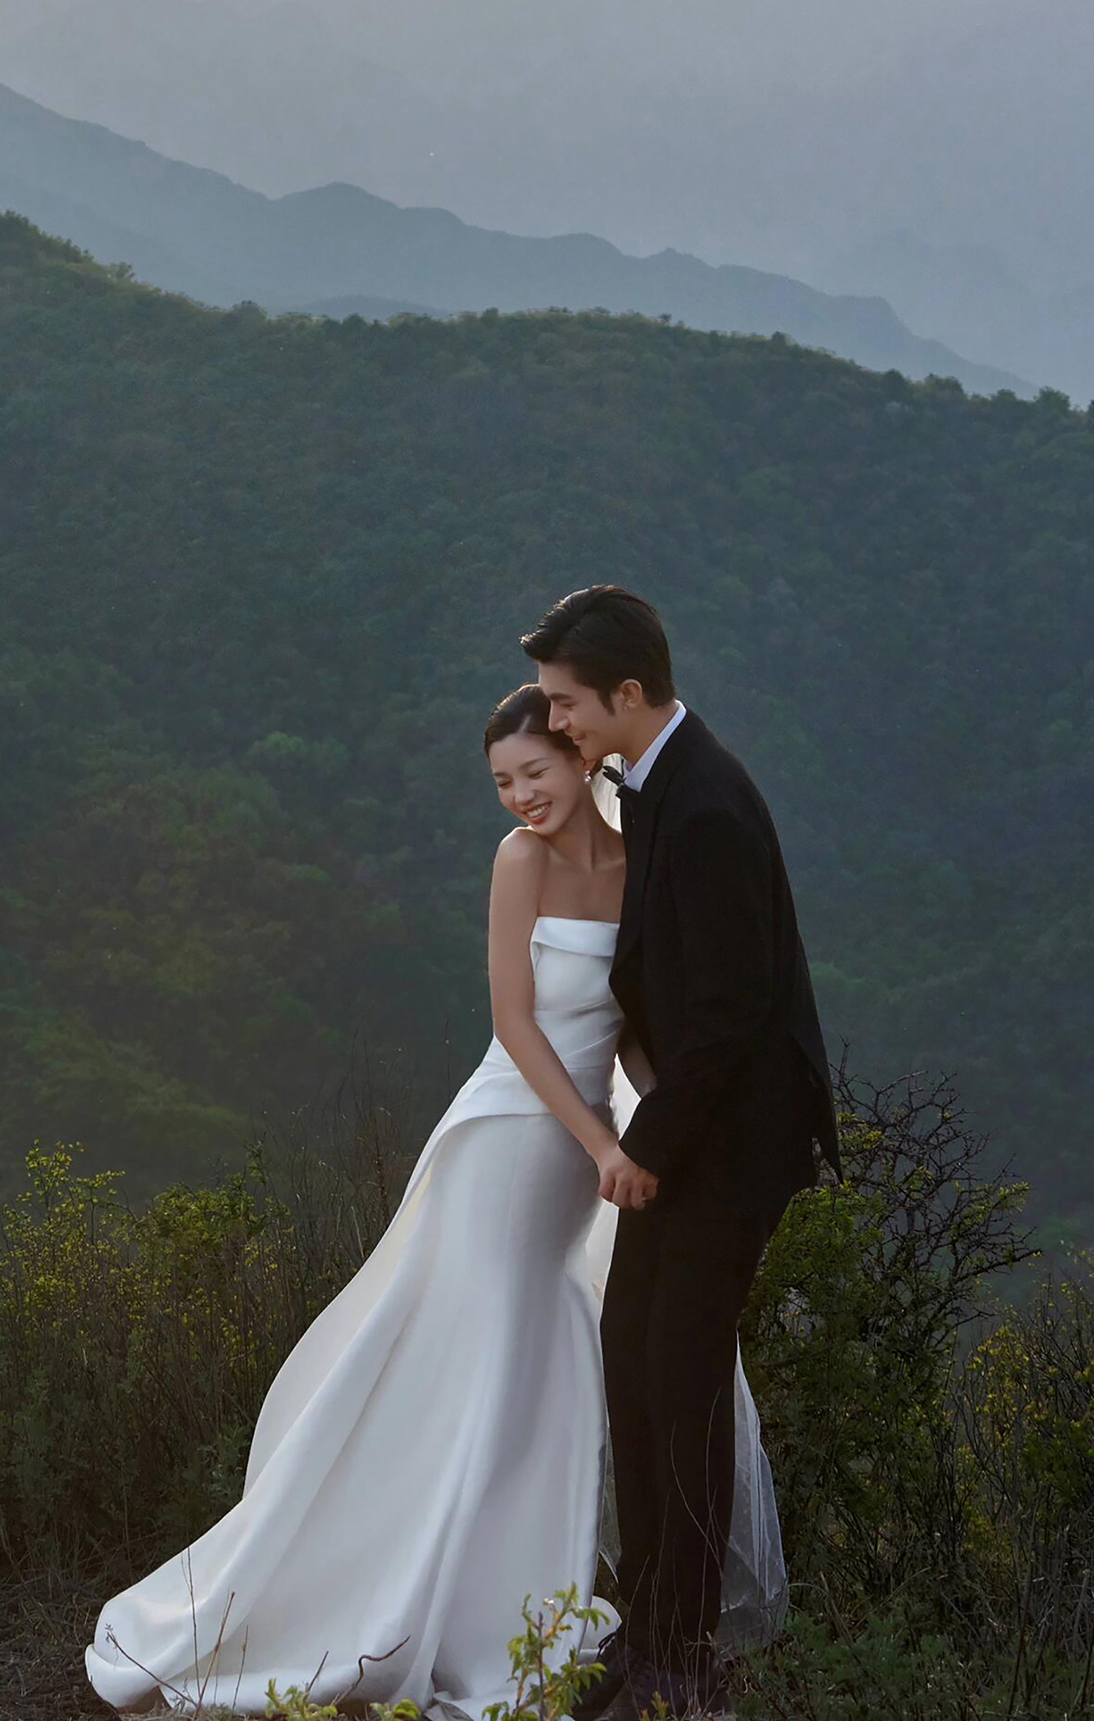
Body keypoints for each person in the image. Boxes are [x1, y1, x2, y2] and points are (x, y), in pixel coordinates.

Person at [84, 679, 787, 1720]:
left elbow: (639, 1024)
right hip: (511, 1136)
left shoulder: (644, 859)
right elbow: (515, 1024)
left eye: (533, 771)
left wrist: (663, 1130)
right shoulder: (520, 862)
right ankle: (414, 1592)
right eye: (501, 782)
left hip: (585, 1148)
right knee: (481, 1339)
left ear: (579, 756)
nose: (519, 796)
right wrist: (604, 1141)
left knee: (540, 1347)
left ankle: (514, 1598)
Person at [524, 586, 839, 1721]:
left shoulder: (703, 803)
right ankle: (645, 1626)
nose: (555, 722)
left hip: (732, 1142)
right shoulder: (656, 780)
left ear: (626, 692)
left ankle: (683, 1657)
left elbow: (729, 1015)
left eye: (566, 704)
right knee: (633, 1358)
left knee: (683, 1379)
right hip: (691, 1128)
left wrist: (640, 1148)